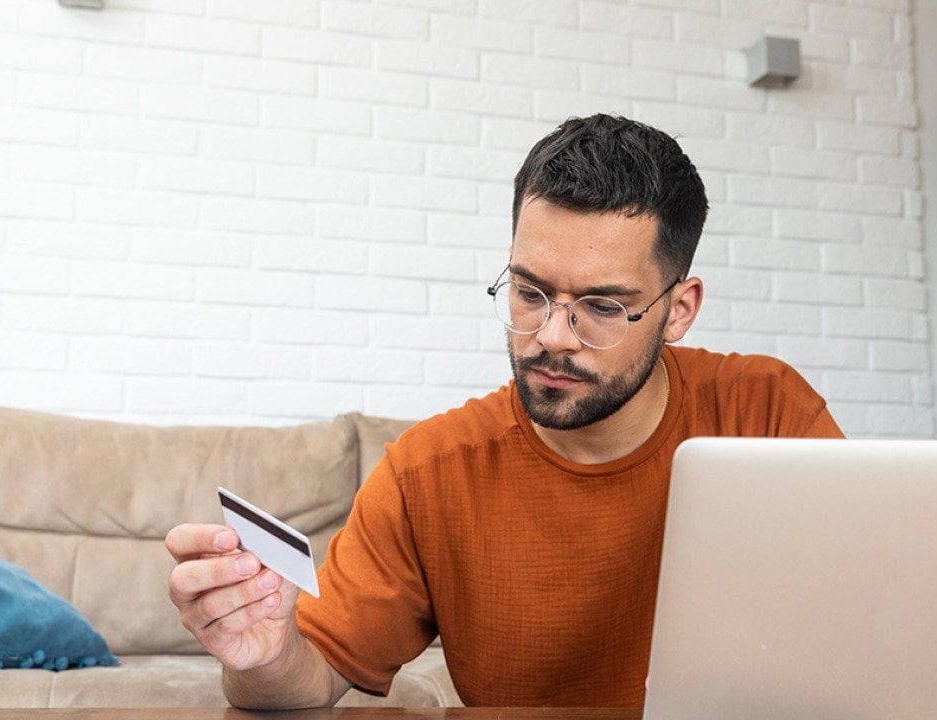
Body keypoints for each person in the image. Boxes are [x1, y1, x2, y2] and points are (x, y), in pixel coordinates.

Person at [165, 113, 844, 710]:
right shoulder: (428, 472)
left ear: (679, 311)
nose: (551, 335)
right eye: (529, 292)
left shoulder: (767, 411)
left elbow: (866, 630)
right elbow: (307, 682)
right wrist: (264, 656)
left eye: (603, 307)